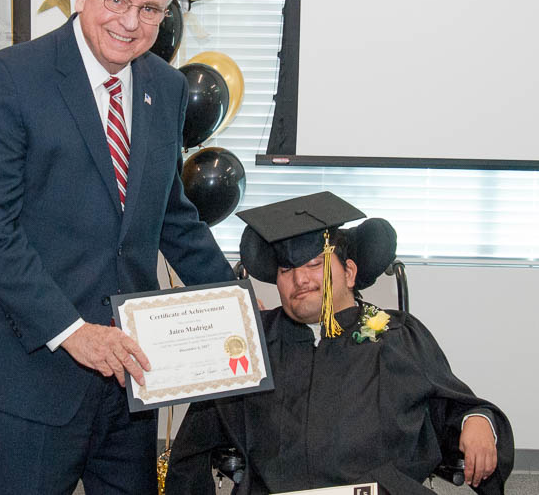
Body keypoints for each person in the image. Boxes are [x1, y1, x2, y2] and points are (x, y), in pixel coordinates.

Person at [0, 0, 235, 494]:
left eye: (148, 9)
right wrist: (72, 333)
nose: (130, 22)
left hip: (128, 384)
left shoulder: (165, 88)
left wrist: (236, 305)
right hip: (30, 379)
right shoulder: (9, 79)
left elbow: (172, 217)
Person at [166, 192, 514, 495]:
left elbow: (452, 407)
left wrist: (478, 420)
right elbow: (194, 445)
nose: (299, 279)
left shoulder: (396, 335)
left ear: (348, 272)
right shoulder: (253, 342)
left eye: (315, 263)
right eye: (286, 271)